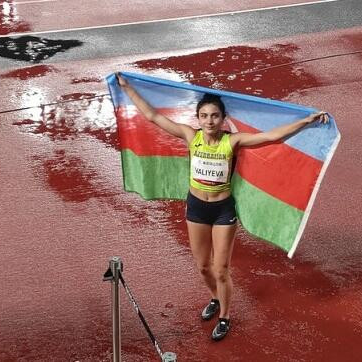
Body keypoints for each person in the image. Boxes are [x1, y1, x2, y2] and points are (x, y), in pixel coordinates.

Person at [116, 73, 328, 341]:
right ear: (198, 118)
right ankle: (215, 298)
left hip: (222, 211)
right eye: (204, 116)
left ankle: (225, 316)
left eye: (214, 116)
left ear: (222, 117)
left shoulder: (233, 141)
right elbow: (153, 116)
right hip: (196, 208)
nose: (209, 121)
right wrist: (128, 88)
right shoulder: (190, 136)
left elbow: (273, 136)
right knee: (203, 267)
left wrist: (306, 120)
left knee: (221, 269)